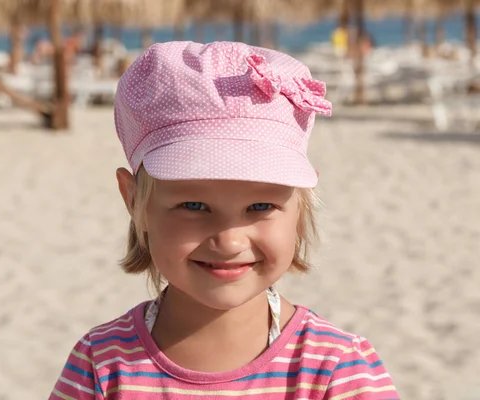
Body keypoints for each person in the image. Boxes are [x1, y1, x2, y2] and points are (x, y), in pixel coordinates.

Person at [48, 41, 399, 399]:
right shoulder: (100, 364)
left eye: (261, 206)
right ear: (134, 199)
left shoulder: (336, 369)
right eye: (195, 206)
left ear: (299, 207)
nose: (230, 241)